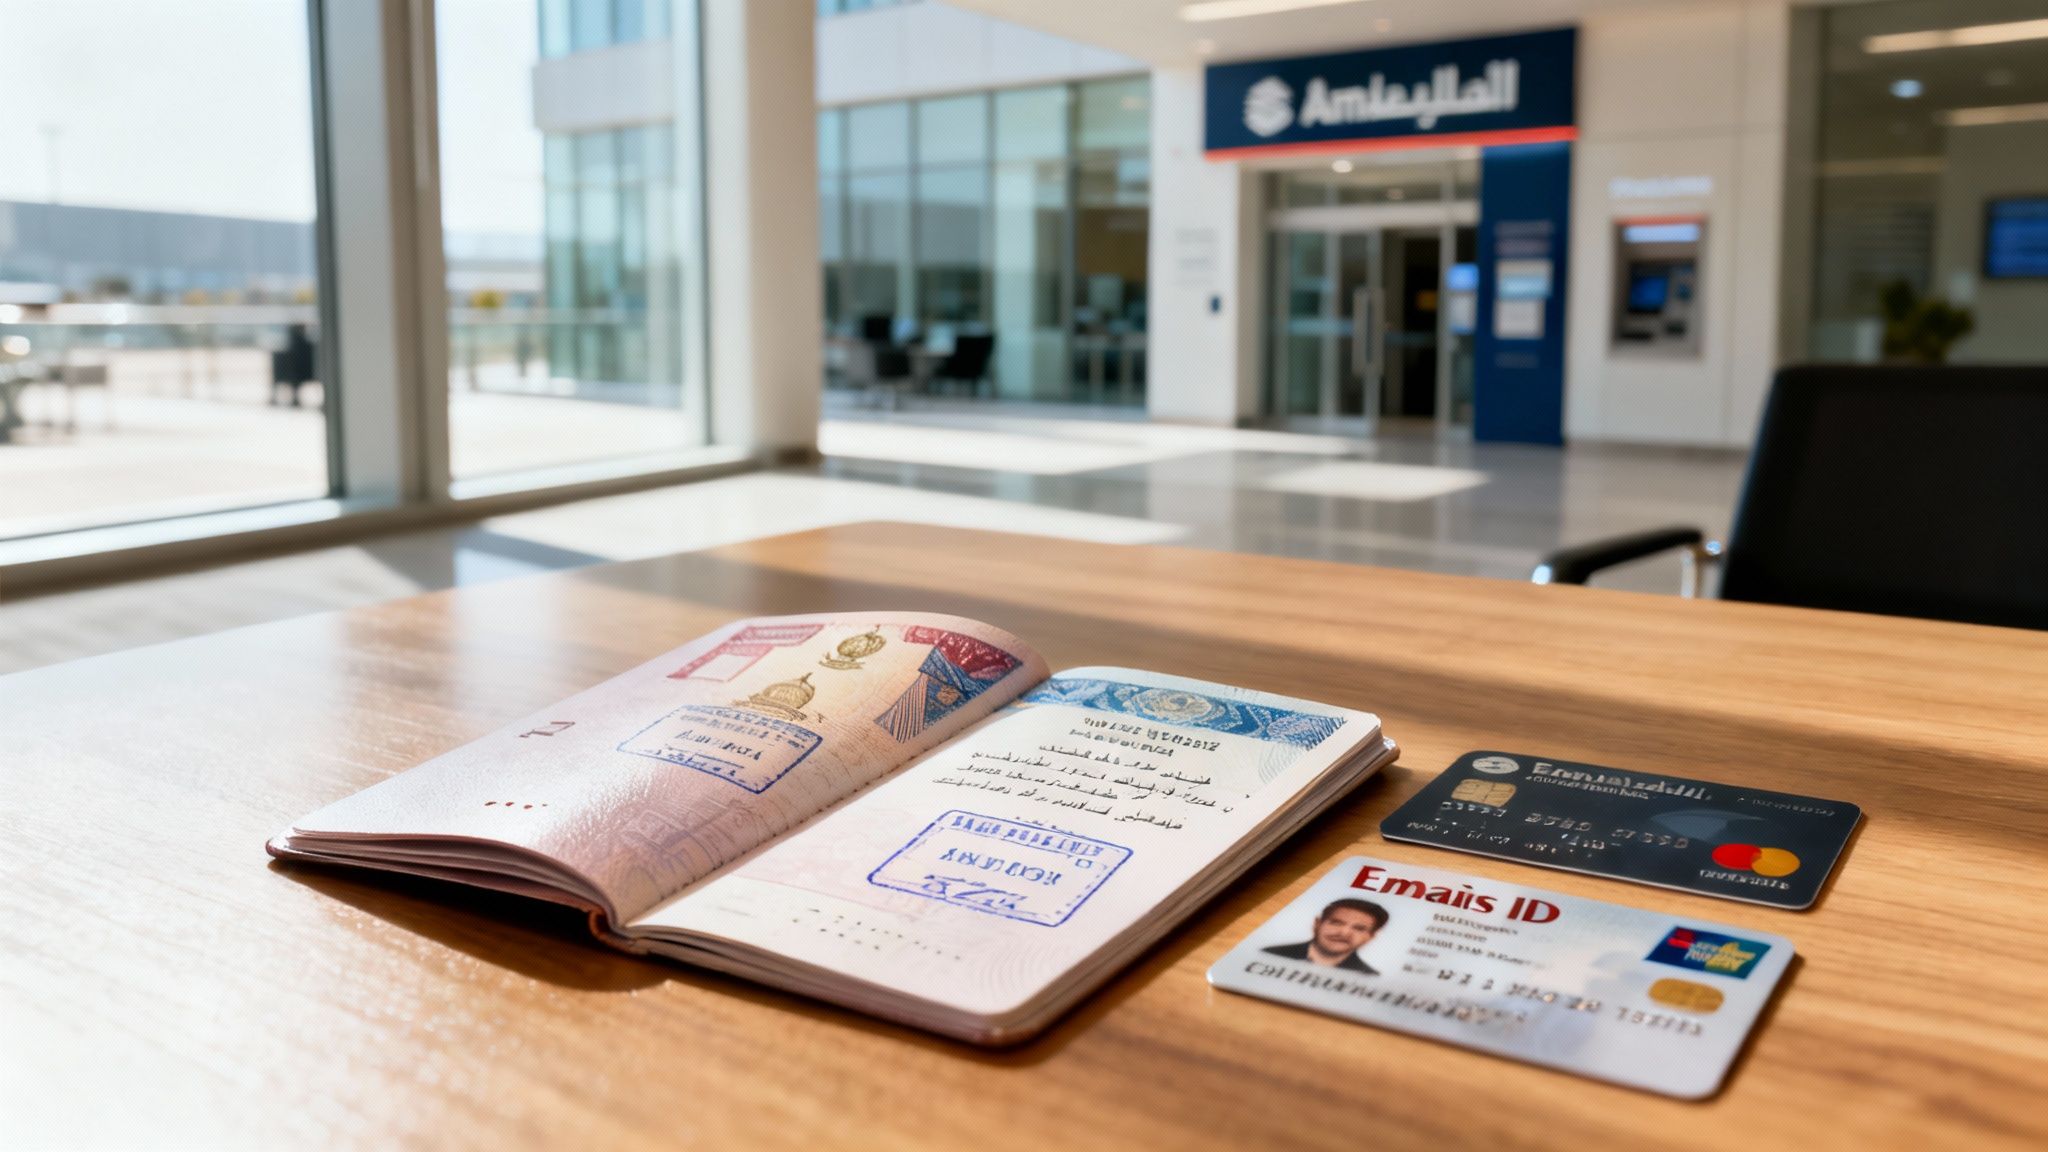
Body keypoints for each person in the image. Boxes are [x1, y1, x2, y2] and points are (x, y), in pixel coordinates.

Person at [1262, 898, 1387, 974]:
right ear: (1317, 924)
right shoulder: (1268, 954)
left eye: (1359, 929)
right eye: (1336, 923)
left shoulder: (1369, 977)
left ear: (1371, 936)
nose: (1344, 933)